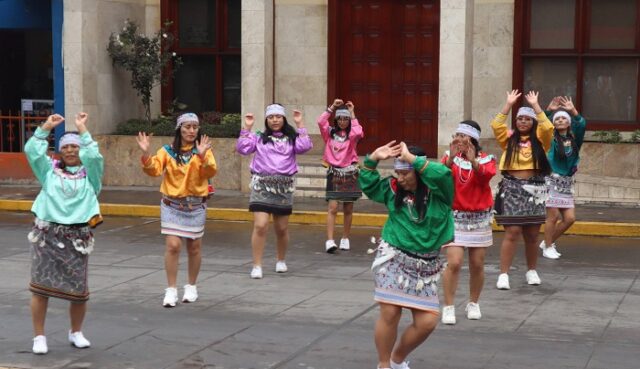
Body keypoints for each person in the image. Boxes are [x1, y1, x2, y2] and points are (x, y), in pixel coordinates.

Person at [360, 141, 454, 369]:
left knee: (428, 322)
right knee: (390, 312)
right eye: (397, 173)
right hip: (394, 257)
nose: (399, 178)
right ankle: (383, 365)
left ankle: (397, 359)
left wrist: (412, 159)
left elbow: (442, 173)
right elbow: (369, 185)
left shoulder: (440, 192)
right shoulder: (393, 190)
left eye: (405, 173)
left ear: (418, 171)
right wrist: (372, 159)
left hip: (426, 266)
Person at [25, 112, 103, 354]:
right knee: (40, 288)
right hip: (47, 235)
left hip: (77, 238)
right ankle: (39, 337)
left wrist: (82, 130)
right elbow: (32, 151)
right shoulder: (48, 172)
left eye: (75, 147)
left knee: (78, 291)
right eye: (66, 147)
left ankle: (76, 331)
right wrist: (46, 126)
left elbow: (95, 157)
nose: (71, 150)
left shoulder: (91, 177)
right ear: (60, 151)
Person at [136, 112, 218, 307]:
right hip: (172, 205)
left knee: (194, 247)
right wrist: (146, 153)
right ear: (179, 129)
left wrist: (203, 156)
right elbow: (154, 170)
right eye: (187, 127)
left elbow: (210, 172)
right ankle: (171, 289)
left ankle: (191, 286)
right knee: (173, 246)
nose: (191, 131)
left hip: (195, 205)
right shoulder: (167, 151)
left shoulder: (202, 150)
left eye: (194, 127)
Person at [236, 104, 313, 279]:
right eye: (271, 117)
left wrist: (300, 124)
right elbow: (243, 148)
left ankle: (281, 260)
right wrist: (246, 128)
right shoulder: (259, 138)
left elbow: (305, 146)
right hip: (261, 186)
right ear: (266, 120)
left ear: (284, 119)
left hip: (283, 187)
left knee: (282, 228)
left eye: (278, 117)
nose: (275, 120)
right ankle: (257, 265)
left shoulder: (291, 138)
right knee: (260, 225)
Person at [491, 90, 553, 290]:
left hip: (535, 189)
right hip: (512, 188)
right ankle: (503, 274)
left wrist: (536, 106)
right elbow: (496, 125)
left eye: (527, 119)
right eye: (520, 119)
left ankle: (532, 270)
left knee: (533, 234)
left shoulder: (541, 140)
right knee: (512, 231)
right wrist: (508, 104)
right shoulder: (508, 139)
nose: (523, 122)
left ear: (532, 122)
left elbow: (548, 126)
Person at [440, 120, 496, 324]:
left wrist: (473, 162)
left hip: (479, 218)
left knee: (477, 264)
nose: (460, 139)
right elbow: (440, 177)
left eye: (464, 136)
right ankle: (448, 306)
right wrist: (451, 158)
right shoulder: (449, 158)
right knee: (454, 262)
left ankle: (473, 302)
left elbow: (486, 178)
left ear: (473, 139)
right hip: (455, 216)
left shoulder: (486, 159)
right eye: (458, 135)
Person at [540, 96, 587, 259]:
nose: (560, 120)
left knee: (570, 219)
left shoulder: (574, 140)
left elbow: (581, 125)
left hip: (566, 184)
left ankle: (548, 240)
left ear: (568, 123)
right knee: (552, 217)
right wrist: (549, 111)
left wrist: (572, 111)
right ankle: (548, 246)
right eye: (557, 118)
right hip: (551, 181)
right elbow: (542, 126)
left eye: (563, 118)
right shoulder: (549, 139)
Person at [317, 98, 364, 253]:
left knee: (348, 207)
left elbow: (359, 132)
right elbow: (320, 121)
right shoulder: (329, 133)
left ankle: (345, 238)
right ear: (336, 120)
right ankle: (330, 240)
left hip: (349, 171)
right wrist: (331, 108)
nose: (343, 121)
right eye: (340, 118)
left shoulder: (351, 135)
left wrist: (352, 112)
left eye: (346, 119)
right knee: (333, 207)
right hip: (334, 171)